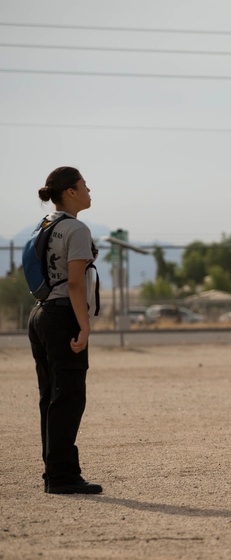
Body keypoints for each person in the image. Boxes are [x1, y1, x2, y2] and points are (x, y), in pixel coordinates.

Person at [28, 167, 103, 494]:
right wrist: (84, 328)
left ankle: (54, 473)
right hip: (63, 316)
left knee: (51, 396)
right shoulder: (76, 228)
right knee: (69, 396)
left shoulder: (46, 224)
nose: (89, 190)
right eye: (84, 185)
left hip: (41, 313)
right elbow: (75, 282)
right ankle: (62, 477)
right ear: (70, 192)